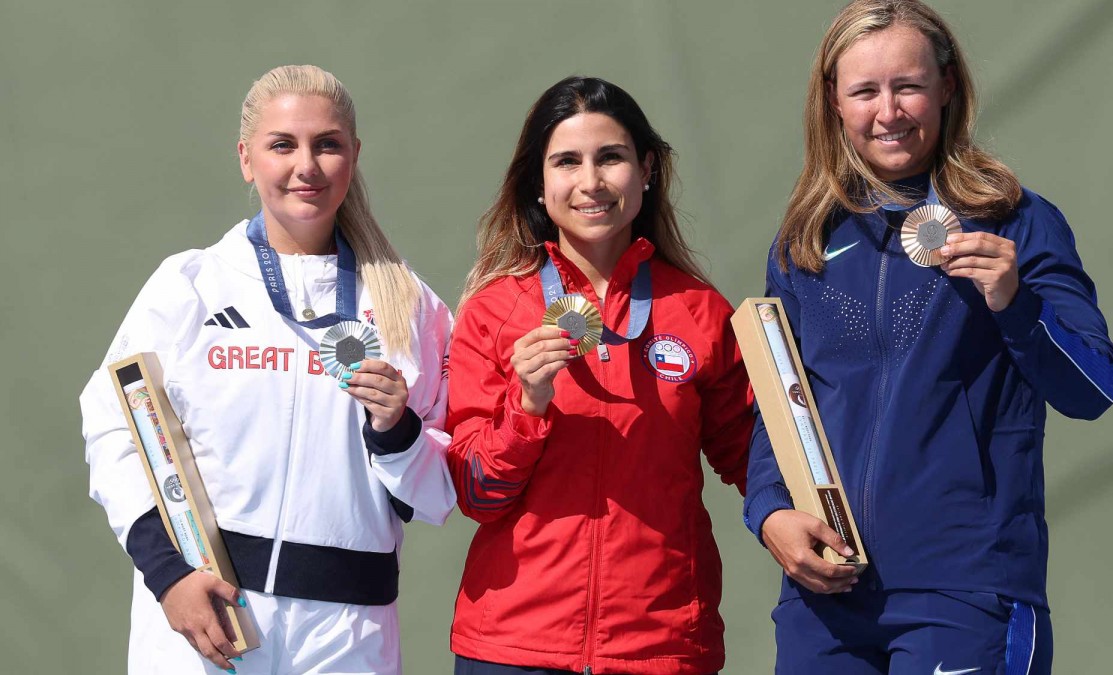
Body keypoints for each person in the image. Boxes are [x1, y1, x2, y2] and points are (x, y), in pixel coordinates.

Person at [743, 2, 1113, 674]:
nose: (888, 111)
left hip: (966, 590)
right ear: (833, 101)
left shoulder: (1014, 221)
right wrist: (771, 511)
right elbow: (778, 404)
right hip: (825, 596)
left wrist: (1016, 304)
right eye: (865, 90)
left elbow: (1094, 387)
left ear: (948, 87)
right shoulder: (804, 240)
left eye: (908, 86)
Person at [80, 65, 456, 675]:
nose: (306, 165)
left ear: (354, 156)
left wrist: (398, 432)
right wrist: (169, 576)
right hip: (207, 616)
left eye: (327, 144)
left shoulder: (410, 307)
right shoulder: (189, 285)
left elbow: (440, 492)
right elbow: (114, 430)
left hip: (346, 633)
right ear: (246, 159)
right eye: (282, 144)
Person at [445, 76, 753, 675]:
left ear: (647, 169)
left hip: (661, 645)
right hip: (515, 647)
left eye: (610, 157)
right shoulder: (493, 311)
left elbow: (754, 460)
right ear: (538, 183)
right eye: (567, 161)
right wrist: (527, 407)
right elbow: (477, 496)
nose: (590, 182)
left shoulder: (700, 311)